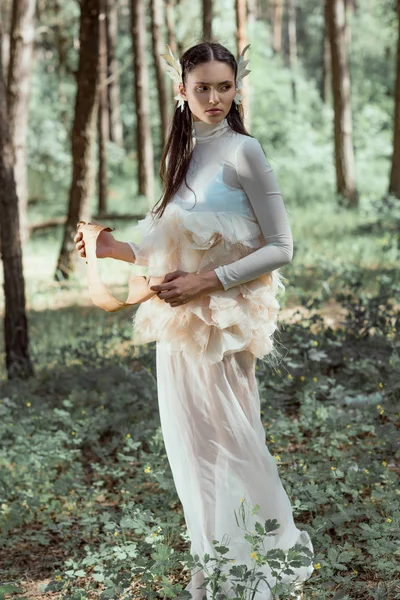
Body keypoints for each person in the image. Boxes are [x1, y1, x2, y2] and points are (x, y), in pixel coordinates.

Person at [74, 41, 314, 600]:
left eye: (224, 87)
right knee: (191, 447)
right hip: (177, 327)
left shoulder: (243, 152)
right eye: (202, 87)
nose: (214, 98)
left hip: (224, 323)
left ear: (237, 89)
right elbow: (167, 249)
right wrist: (113, 249)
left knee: (236, 439)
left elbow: (282, 247)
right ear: (181, 91)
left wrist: (209, 282)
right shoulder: (179, 158)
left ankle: (265, 562)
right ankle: (216, 563)